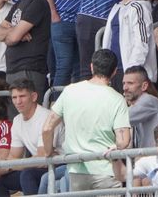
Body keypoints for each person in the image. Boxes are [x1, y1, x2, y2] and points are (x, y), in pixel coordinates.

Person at [41, 49, 132, 193]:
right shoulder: (118, 99)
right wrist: (116, 146)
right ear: (114, 72)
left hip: (77, 169)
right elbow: (123, 140)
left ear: (91, 67)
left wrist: (48, 152)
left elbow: (47, 128)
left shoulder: (70, 91)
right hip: (106, 170)